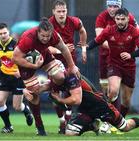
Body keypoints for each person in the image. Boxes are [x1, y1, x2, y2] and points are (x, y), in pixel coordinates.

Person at [23, 73, 139, 136]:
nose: (51, 77)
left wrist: (59, 99)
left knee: (124, 127)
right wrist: (27, 90)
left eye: (53, 73)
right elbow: (41, 88)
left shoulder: (72, 78)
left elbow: (75, 100)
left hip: (100, 105)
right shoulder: (55, 79)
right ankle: (93, 125)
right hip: (86, 110)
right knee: (70, 133)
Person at [12, 17, 80, 135]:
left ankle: (50, 91)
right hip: (25, 64)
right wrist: (33, 66)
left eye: (47, 36)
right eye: (42, 36)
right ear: (38, 32)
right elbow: (15, 58)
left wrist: (72, 66)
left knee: (60, 77)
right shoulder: (28, 38)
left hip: (43, 55)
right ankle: (40, 127)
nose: (45, 38)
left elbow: (64, 49)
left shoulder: (54, 35)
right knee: (33, 94)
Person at [88, 8, 139, 118]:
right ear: (115, 19)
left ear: (127, 19)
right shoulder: (109, 30)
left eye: (122, 19)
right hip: (114, 64)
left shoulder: (134, 31)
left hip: (129, 67)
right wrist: (85, 48)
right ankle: (108, 117)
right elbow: (96, 41)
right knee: (113, 91)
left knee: (126, 100)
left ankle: (120, 120)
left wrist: (131, 55)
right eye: (118, 19)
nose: (120, 21)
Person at [48, 0, 87, 133]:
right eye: (58, 11)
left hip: (70, 63)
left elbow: (82, 30)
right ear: (53, 12)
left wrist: (83, 48)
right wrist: (61, 50)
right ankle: (61, 121)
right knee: (54, 94)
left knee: (71, 92)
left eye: (64, 11)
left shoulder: (74, 21)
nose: (61, 14)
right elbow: (45, 47)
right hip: (53, 64)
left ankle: (68, 121)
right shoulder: (49, 24)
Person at [95, 0, 139, 115]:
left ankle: (118, 117)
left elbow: (138, 33)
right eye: (110, 6)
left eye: (115, 6)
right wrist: (117, 46)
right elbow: (99, 38)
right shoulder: (101, 17)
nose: (112, 9)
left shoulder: (129, 16)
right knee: (109, 89)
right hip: (107, 58)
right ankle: (108, 117)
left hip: (126, 60)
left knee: (126, 97)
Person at [0, 23, 33, 133]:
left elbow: (28, 58)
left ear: (9, 32)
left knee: (16, 107)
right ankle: (8, 126)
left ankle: (26, 110)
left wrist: (20, 69)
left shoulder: (16, 43)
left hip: (17, 77)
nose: (3, 35)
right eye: (0, 34)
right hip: (4, 75)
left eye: (5, 33)